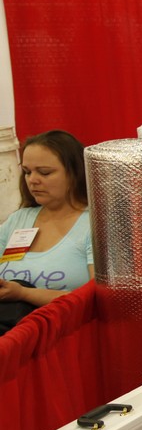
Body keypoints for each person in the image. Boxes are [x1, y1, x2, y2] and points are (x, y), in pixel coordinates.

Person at [0, 130, 93, 330]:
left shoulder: (93, 225)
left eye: (44, 172)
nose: (32, 180)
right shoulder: (18, 220)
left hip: (65, 335)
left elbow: (99, 301)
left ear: (75, 173)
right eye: (27, 172)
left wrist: (24, 293)